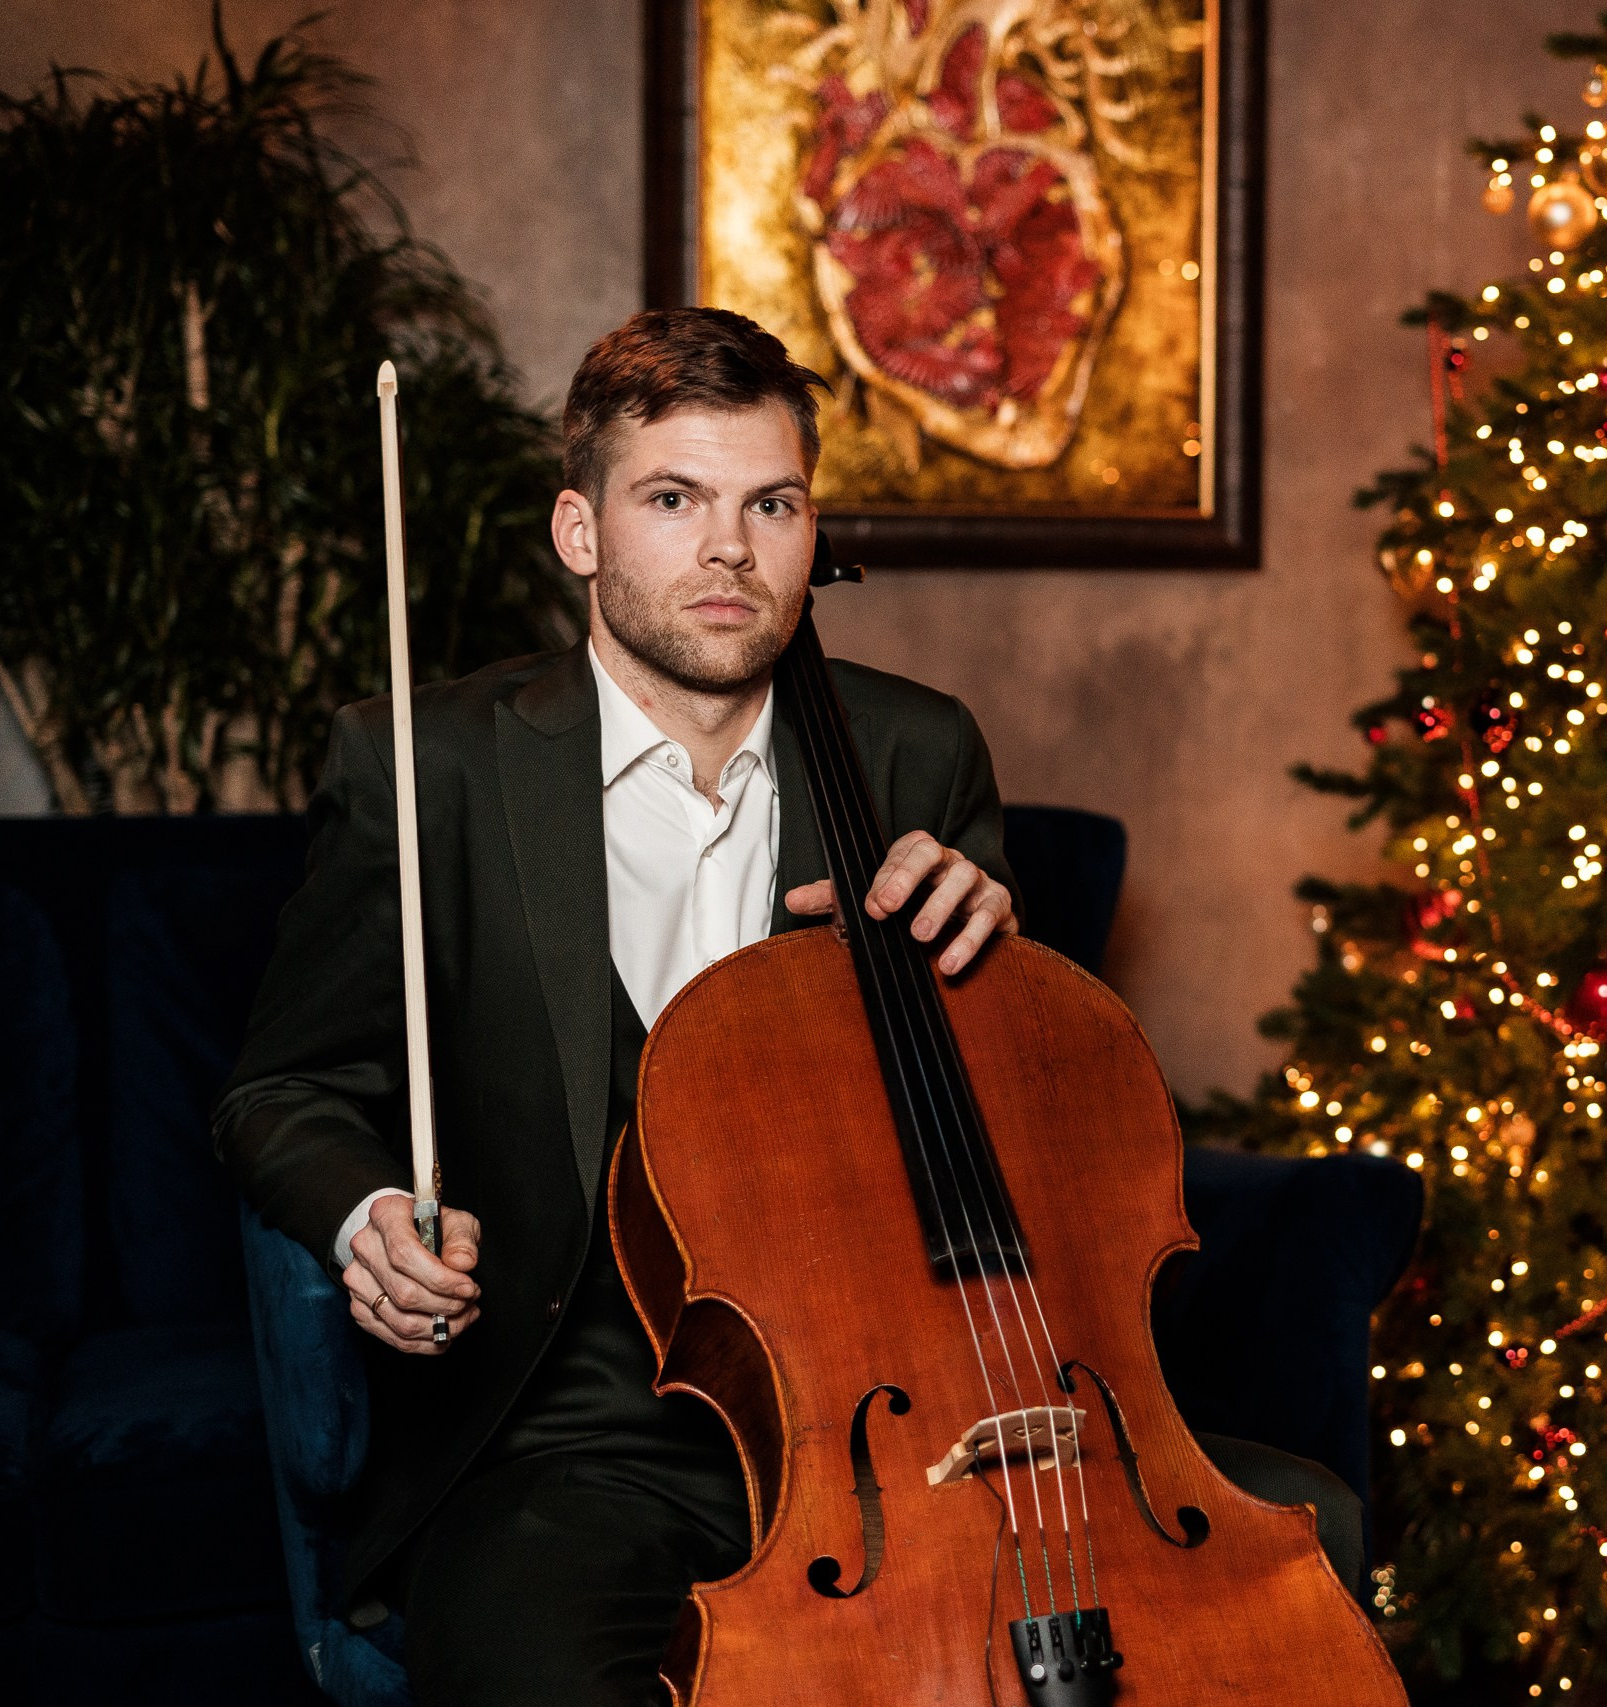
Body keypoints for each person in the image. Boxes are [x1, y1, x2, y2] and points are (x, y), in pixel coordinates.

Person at [215, 308, 1359, 1707]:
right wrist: (364, 1216)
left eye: (772, 504)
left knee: (1301, 1544)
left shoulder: (912, 750)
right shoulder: (426, 765)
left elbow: (1043, 1140)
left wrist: (996, 967)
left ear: (814, 529)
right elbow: (281, 1089)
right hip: (565, 1439)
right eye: (673, 500)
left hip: (900, 1413)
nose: (728, 552)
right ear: (580, 532)